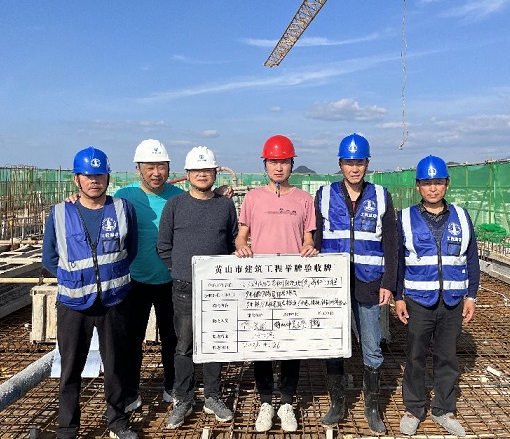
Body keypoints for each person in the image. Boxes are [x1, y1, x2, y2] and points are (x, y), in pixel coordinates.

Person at [41, 146, 139, 439]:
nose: (94, 181)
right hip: (73, 304)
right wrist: (77, 279)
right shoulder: (60, 213)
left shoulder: (122, 209)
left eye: (100, 175)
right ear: (77, 179)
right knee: (70, 368)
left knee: (116, 367)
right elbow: (50, 259)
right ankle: (67, 428)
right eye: (87, 175)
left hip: (113, 301)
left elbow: (130, 250)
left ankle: (117, 422)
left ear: (107, 177)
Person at [314, 133, 398, 434]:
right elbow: (315, 239)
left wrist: (389, 283)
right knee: (334, 345)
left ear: (367, 163)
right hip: (333, 284)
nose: (354, 168)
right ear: (340, 164)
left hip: (369, 282)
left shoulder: (381, 195)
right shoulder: (324, 195)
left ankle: (372, 408)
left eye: (359, 162)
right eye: (349, 163)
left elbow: (391, 242)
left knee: (372, 347)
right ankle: (337, 404)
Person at [234, 134, 319, 433]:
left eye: (283, 162)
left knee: (290, 344)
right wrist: (241, 248)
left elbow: (308, 238)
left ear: (292, 164)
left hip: (293, 283)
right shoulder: (253, 198)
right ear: (265, 165)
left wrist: (309, 248)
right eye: (273, 162)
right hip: (261, 283)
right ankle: (265, 402)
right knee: (262, 344)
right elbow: (241, 236)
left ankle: (286, 402)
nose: (279, 167)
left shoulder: (304, 199)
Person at [395, 155, 480, 437]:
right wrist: (398, 297)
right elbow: (398, 261)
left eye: (439, 182)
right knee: (415, 356)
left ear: (447, 184)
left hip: (453, 301)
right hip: (418, 300)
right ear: (418, 186)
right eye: (427, 183)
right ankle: (414, 408)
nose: (433, 188)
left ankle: (444, 409)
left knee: (447, 358)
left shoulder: (462, 217)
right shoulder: (405, 217)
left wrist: (471, 296)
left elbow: (471, 259)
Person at [157, 146, 238, 430]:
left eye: (207, 170)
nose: (202, 175)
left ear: (215, 173)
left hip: (217, 287)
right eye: (196, 170)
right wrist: (181, 270)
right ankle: (183, 398)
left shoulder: (225, 206)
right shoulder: (175, 205)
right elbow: (164, 246)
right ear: (188, 174)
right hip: (184, 286)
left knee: (215, 342)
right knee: (184, 345)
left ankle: (212, 396)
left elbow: (232, 241)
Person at [113, 139, 184, 411]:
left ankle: (172, 386)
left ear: (169, 168)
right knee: (131, 339)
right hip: (134, 280)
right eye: (150, 167)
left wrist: (220, 193)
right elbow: (97, 207)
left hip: (170, 279)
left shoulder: (178, 197)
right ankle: (131, 392)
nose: (156, 173)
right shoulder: (125, 196)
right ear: (138, 169)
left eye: (161, 167)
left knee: (173, 338)